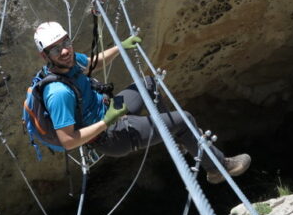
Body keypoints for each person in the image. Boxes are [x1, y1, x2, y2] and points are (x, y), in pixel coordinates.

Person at [32, 22, 251, 184]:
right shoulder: (58, 93)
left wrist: (121, 46)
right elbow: (68, 141)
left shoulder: (70, 62)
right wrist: (106, 122)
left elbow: (92, 63)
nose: (64, 51)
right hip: (110, 135)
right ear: (45, 56)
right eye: (55, 49)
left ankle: (178, 137)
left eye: (66, 43)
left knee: (149, 84)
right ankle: (217, 168)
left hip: (110, 111)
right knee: (185, 119)